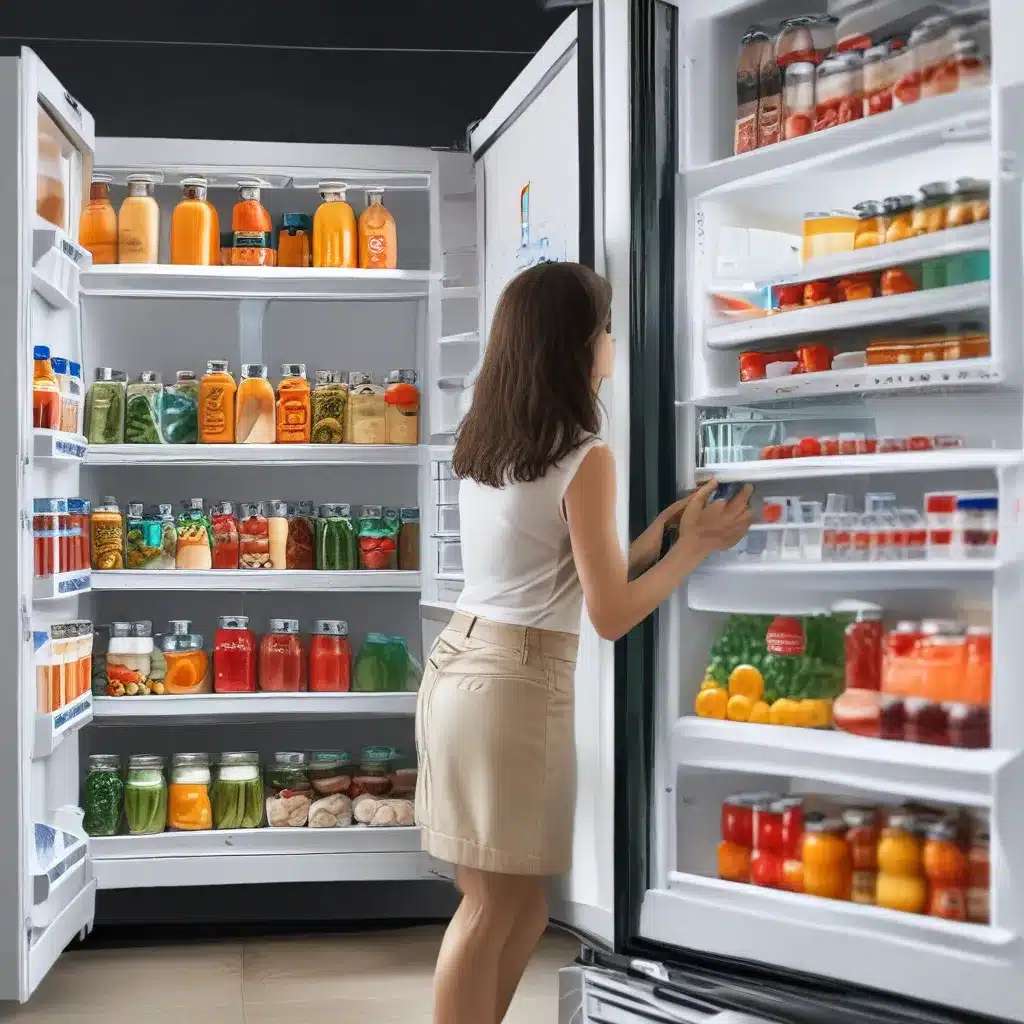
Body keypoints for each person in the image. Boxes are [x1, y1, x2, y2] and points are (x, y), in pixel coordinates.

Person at [415, 262, 752, 1023]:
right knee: (493, 908)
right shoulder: (583, 453)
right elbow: (608, 613)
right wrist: (694, 548)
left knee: (518, 908)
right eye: (604, 327)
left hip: (461, 666)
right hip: (512, 683)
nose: (612, 341)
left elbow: (551, 567)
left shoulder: (494, 437)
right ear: (577, 344)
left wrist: (661, 536)